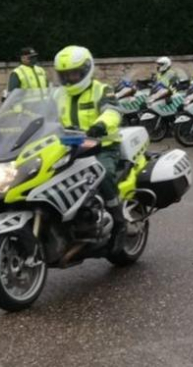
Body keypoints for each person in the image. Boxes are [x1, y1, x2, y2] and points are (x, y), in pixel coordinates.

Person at [52, 45, 126, 241]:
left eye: (74, 74)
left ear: (85, 70)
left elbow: (113, 111)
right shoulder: (57, 94)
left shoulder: (101, 90)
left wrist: (100, 125)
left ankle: (119, 222)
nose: (69, 79)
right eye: (65, 75)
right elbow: (41, 115)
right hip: (67, 148)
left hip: (102, 147)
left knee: (102, 173)